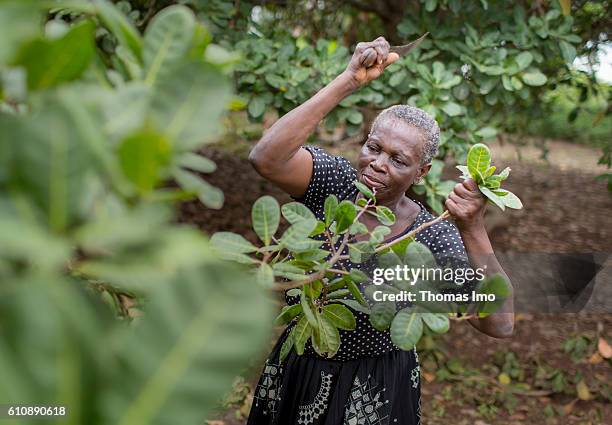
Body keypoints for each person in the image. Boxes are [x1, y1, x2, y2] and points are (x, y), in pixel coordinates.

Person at [246, 36, 515, 425]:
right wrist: (348, 80)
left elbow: (500, 324)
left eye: (398, 159)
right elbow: (266, 158)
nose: (377, 164)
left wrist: (472, 226)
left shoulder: (429, 235)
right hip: (298, 366)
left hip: (375, 389)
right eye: (374, 148)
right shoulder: (335, 184)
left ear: (421, 173)